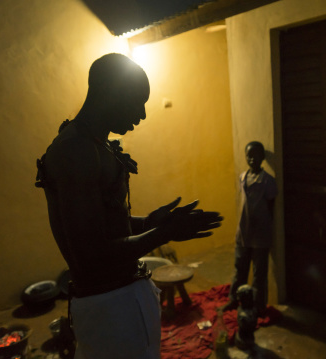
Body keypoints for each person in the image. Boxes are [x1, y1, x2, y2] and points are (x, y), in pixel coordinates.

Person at [35, 53, 223, 359]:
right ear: (111, 94)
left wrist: (151, 221)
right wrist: (165, 233)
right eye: (138, 101)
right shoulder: (76, 151)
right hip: (108, 308)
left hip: (121, 300)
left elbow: (106, 224)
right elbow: (92, 254)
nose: (143, 114)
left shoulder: (95, 144)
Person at [221, 141, 277, 316]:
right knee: (240, 268)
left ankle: (259, 306)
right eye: (248, 155)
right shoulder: (242, 177)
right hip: (243, 233)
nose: (252, 159)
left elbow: (271, 206)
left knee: (259, 274)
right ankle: (234, 299)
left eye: (255, 155)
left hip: (260, 234)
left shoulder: (268, 180)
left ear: (262, 157)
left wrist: (264, 226)